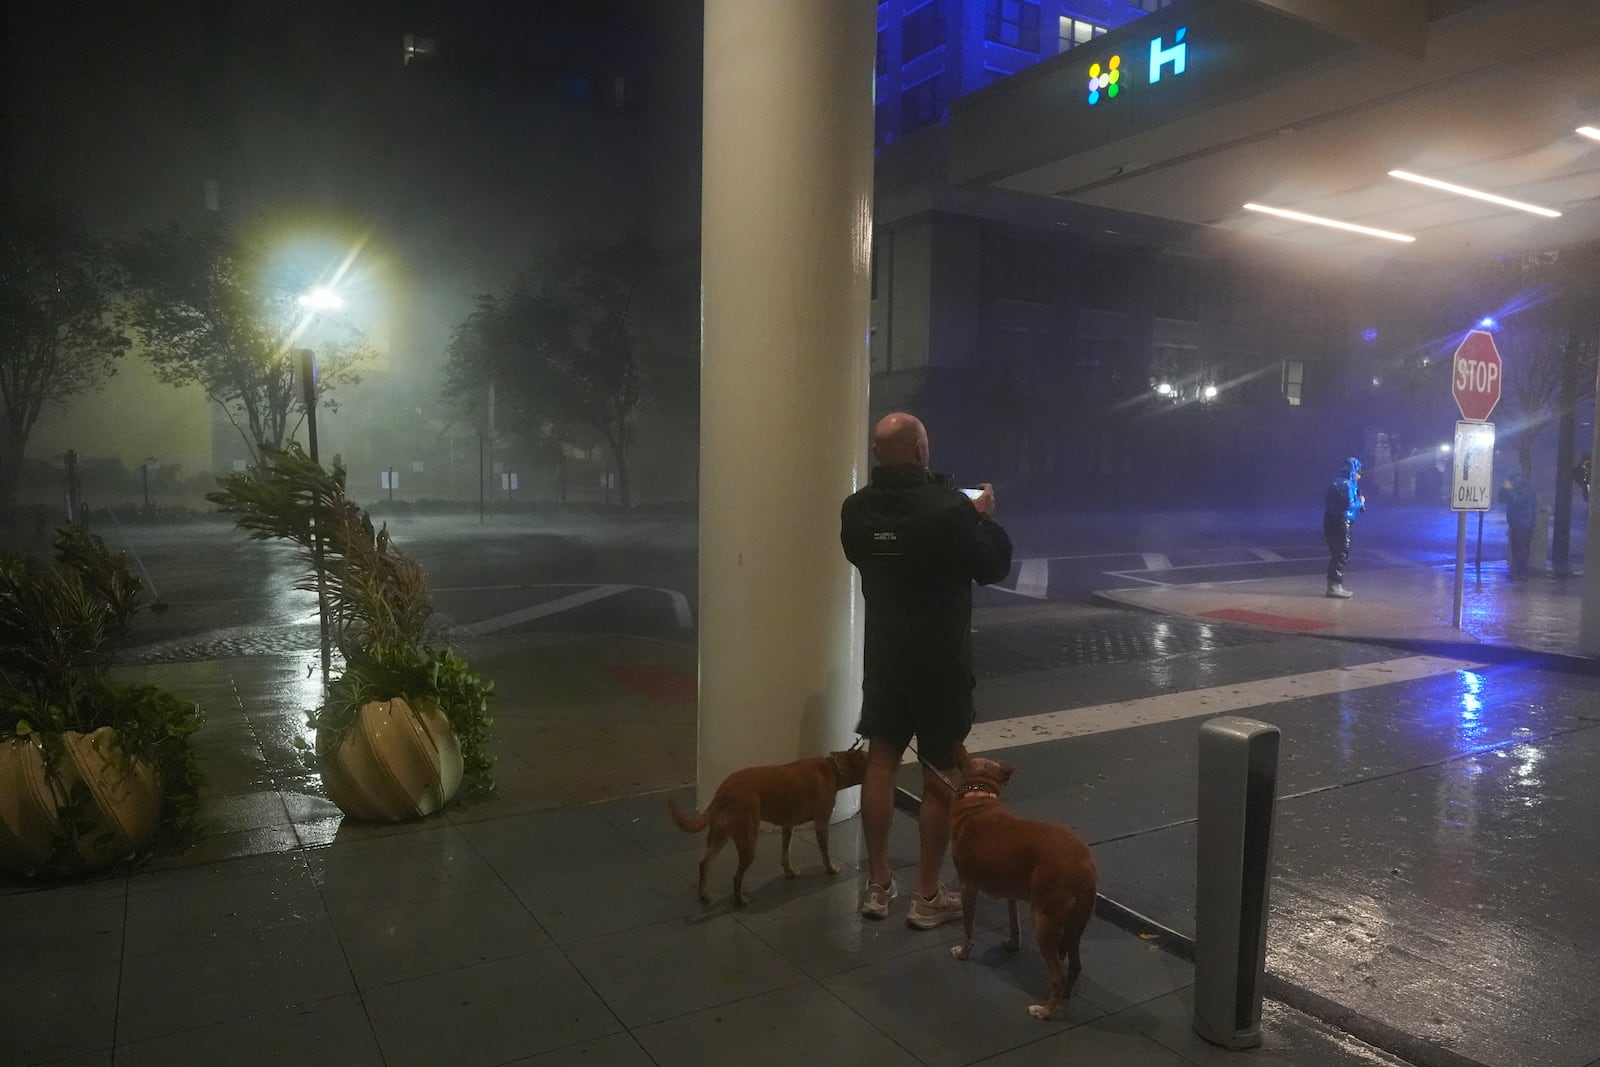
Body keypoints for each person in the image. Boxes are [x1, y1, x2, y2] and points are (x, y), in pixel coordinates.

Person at [840, 412, 1013, 928]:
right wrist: (979, 514)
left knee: (881, 761)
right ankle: (927, 895)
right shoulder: (950, 508)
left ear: (878, 455)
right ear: (919, 451)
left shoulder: (856, 510)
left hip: (886, 658)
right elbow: (991, 567)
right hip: (940, 663)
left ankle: (877, 885)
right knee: (940, 771)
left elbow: (862, 554)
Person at [1323, 456, 1365, 598]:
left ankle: (1334, 585)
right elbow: (1348, 505)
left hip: (1331, 520)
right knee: (1341, 553)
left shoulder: (1336, 482)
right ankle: (1335, 586)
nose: (1360, 476)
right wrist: (1360, 503)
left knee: (1337, 552)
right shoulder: (1347, 485)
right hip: (1342, 521)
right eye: (1359, 472)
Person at [1501, 470, 1536, 580]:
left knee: (1521, 548)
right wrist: (1504, 489)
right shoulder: (1520, 487)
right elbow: (1501, 499)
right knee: (1516, 548)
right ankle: (1518, 571)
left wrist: (1509, 489)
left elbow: (1518, 500)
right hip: (1516, 523)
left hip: (1524, 523)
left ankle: (1520, 572)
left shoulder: (1525, 488)